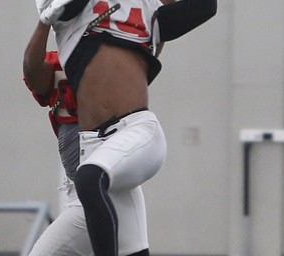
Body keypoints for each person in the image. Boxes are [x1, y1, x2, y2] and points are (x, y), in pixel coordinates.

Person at [27, 0, 217, 255]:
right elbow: (32, 72)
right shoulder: (66, 32)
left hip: (134, 132)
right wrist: (44, 22)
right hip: (91, 167)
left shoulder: (147, 20)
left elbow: (205, 6)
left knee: (90, 177)